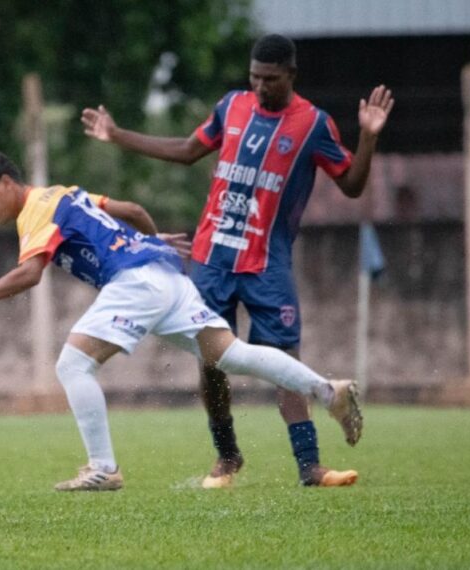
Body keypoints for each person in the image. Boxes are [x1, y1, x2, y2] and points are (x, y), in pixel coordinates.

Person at [0, 150, 359, 491]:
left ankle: (103, 468)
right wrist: (150, 242)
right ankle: (325, 389)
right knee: (231, 355)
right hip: (166, 272)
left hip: (135, 282)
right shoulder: (63, 193)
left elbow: (30, 273)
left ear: (7, 183)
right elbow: (131, 208)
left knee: (73, 365)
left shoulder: (35, 210)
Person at [81, 34, 393, 488]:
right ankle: (226, 459)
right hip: (211, 260)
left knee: (284, 358)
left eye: (271, 79)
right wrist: (117, 135)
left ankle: (310, 466)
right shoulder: (233, 106)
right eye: (255, 77)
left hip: (268, 264)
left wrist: (368, 137)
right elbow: (188, 151)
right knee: (211, 363)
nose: (261, 86)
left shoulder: (313, 124)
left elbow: (352, 185)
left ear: (291, 75)